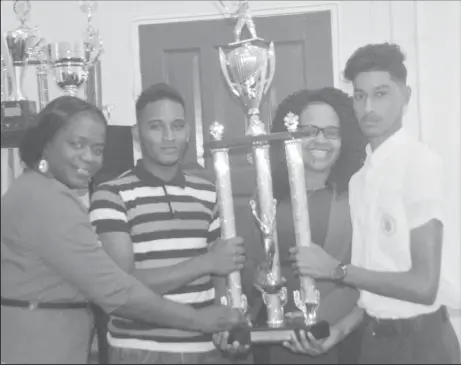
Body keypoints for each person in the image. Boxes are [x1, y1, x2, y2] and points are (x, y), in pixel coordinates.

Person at [0, 96, 246, 364]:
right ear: (45, 144)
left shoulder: (38, 191)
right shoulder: (49, 201)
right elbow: (116, 289)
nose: (89, 158)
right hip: (39, 344)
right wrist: (198, 319)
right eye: (76, 144)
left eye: (97, 149)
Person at [287, 43, 461, 363]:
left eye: (381, 94)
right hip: (375, 342)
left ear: (405, 97)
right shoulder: (360, 180)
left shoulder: (419, 164)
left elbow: (423, 285)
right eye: (359, 95)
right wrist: (338, 331)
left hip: (423, 344)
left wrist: (336, 270)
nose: (368, 107)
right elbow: (374, 294)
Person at [89, 83, 249, 364]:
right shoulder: (111, 194)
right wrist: (205, 263)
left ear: (188, 132)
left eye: (176, 126)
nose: (168, 137)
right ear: (137, 134)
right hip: (139, 351)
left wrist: (227, 321)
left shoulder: (208, 191)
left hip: (205, 349)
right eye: (155, 126)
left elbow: (222, 271)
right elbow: (122, 285)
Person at [243, 87, 366, 364]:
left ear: (345, 140)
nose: (320, 140)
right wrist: (257, 279)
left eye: (331, 132)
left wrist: (325, 316)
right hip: (277, 338)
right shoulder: (265, 194)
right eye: (309, 130)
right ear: (290, 136)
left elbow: (368, 274)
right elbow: (249, 264)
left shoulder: (359, 195)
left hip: (337, 335)